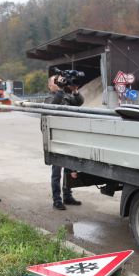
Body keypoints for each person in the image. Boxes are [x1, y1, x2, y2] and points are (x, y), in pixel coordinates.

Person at [47, 74, 84, 210]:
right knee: (57, 172)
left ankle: (67, 196)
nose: (59, 83)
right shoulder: (49, 98)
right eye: (55, 81)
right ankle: (57, 200)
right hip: (56, 140)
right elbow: (53, 106)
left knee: (69, 170)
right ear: (50, 86)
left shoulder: (66, 97)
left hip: (68, 138)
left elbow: (79, 102)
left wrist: (75, 90)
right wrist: (61, 90)